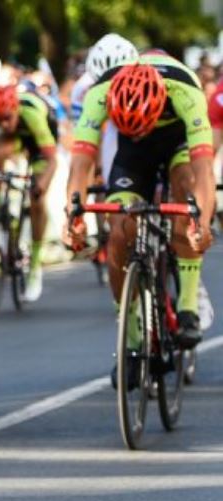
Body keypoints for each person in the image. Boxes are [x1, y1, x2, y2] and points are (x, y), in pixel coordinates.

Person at [66, 58, 215, 365]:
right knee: (120, 231)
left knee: (185, 195)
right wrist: (73, 216)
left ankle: (187, 307)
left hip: (177, 141)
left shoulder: (187, 93)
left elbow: (204, 175)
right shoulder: (99, 94)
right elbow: (80, 167)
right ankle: (130, 332)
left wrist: (200, 221)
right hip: (132, 150)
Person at [0, 83, 59, 301]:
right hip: (13, 140)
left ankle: (36, 265)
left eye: (7, 117)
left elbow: (52, 160)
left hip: (37, 140)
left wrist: (41, 184)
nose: (3, 123)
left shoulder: (31, 114)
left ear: (15, 109)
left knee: (37, 200)